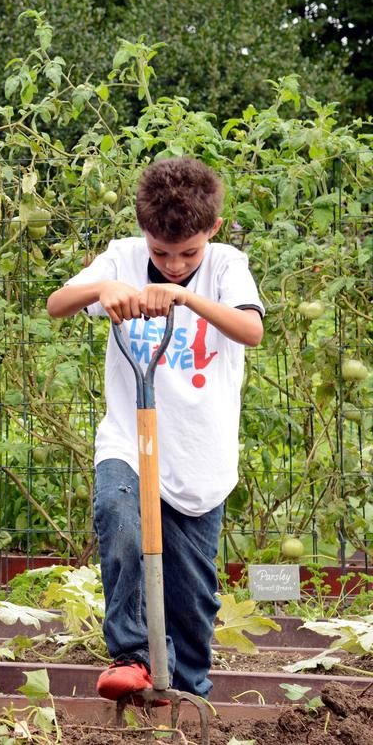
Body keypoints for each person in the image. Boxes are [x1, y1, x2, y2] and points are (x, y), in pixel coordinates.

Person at [46, 157, 264, 701]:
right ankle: (132, 656)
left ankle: (189, 692)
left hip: (199, 457)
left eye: (187, 253)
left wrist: (186, 297)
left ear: (211, 230)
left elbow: (252, 330)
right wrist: (103, 291)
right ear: (142, 232)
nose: (171, 264)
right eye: (159, 253)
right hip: (129, 438)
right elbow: (56, 304)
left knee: (192, 597)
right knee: (119, 521)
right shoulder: (123, 257)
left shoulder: (225, 266)